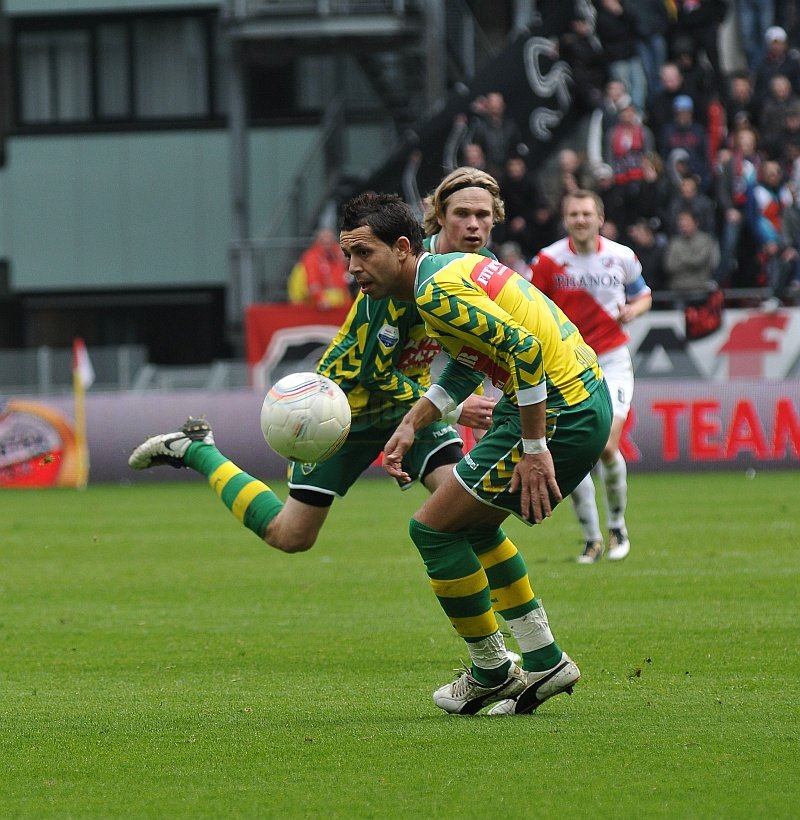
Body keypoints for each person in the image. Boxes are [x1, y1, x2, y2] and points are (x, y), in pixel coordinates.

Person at [127, 173, 502, 556]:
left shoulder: (482, 268)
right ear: (439, 215)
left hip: (412, 407)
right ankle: (197, 449)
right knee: (291, 536)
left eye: (483, 215)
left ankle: (523, 614)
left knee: (467, 510)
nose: (474, 224)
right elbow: (374, 373)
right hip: (344, 408)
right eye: (462, 213)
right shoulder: (399, 273)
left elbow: (472, 347)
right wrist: (453, 407)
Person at [338, 191, 611, 716]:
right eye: (348, 256)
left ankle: (491, 669)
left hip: (558, 407)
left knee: (432, 530)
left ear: (401, 248)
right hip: (565, 398)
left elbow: (526, 351)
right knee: (475, 528)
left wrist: (534, 450)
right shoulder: (444, 274)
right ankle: (543, 658)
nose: (354, 268)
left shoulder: (436, 292)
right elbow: (472, 362)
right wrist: (413, 422)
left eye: (363, 254)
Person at [530, 190, 652, 564]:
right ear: (565, 219)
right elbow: (531, 305)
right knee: (576, 452)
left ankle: (617, 526)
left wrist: (633, 310)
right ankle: (592, 538)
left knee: (607, 446)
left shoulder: (621, 256)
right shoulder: (549, 260)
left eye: (586, 213)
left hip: (612, 360)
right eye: (573, 214)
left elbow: (644, 295)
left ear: (600, 218)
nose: (580, 220)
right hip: (567, 364)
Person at [287, 226, 353, 310]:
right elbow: (313, 282)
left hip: (342, 303)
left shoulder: (337, 254)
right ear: (318, 241)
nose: (327, 243)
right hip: (322, 305)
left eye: (330, 240)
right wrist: (320, 299)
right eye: (324, 241)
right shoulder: (312, 257)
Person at [663, 208, 721, 293]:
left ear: (695, 222)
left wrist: (681, 259)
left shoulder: (706, 240)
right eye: (680, 221)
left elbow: (699, 261)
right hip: (678, 288)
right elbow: (669, 265)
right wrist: (691, 259)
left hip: (700, 287)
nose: (682, 223)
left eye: (686, 220)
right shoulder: (674, 242)